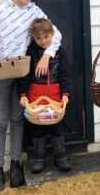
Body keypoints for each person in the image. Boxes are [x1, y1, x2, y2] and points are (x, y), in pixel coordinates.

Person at [0, 0, 62, 193]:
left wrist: (47, 55)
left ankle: (16, 163)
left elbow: (55, 34)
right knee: (0, 122)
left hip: (21, 73)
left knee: (18, 120)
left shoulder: (35, 11)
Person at [18, 18, 71, 174]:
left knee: (56, 127)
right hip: (35, 98)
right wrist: (22, 94)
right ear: (34, 38)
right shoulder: (30, 52)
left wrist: (66, 94)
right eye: (38, 38)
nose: (42, 41)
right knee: (37, 128)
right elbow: (24, 76)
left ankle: (61, 157)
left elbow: (65, 75)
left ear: (53, 35)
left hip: (55, 98)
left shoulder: (60, 52)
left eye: (46, 37)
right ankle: (39, 159)